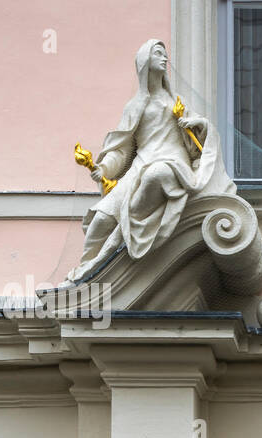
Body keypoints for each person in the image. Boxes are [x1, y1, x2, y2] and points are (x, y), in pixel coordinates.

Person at [68, 39, 235, 282]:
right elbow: (122, 150)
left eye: (165, 53)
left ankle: (116, 248)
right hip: (140, 166)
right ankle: (85, 272)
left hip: (171, 162)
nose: (165, 58)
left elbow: (196, 141)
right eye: (158, 53)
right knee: (102, 218)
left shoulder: (177, 103)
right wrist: (103, 168)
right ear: (145, 61)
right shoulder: (135, 106)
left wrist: (199, 125)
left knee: (156, 176)